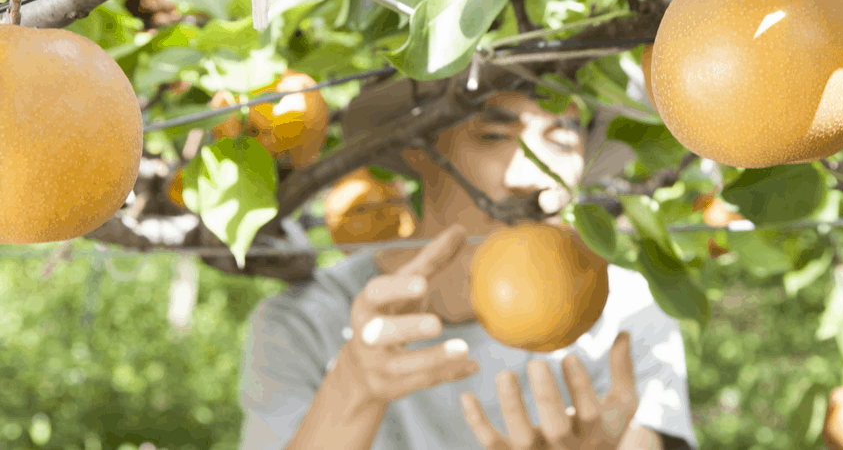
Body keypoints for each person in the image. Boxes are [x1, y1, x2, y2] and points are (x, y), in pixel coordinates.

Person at [237, 78, 697, 450]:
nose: (530, 177)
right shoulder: (306, 324)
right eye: (493, 135)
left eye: (561, 137)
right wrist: (354, 385)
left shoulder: (626, 313)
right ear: (420, 145)